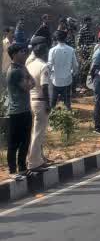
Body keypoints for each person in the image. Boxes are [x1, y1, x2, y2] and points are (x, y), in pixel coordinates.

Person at [6, 42, 34, 180]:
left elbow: (32, 82)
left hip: (25, 110)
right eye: (22, 52)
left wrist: (28, 76)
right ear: (15, 54)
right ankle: (12, 170)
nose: (25, 54)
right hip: (16, 112)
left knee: (25, 140)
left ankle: (22, 168)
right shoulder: (15, 72)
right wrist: (28, 78)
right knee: (14, 142)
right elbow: (28, 86)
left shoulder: (21, 68)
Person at [25, 37, 51, 172]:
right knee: (38, 134)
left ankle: (33, 159)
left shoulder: (29, 65)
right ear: (44, 53)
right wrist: (48, 103)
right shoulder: (43, 66)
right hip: (41, 101)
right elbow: (45, 86)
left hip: (30, 100)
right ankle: (34, 163)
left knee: (32, 133)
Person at [47, 30, 78, 110]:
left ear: (56, 39)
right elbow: (75, 65)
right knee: (67, 103)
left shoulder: (52, 50)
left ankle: (51, 117)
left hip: (55, 80)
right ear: (66, 38)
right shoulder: (71, 49)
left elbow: (49, 65)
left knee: (53, 103)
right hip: (67, 80)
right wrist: (74, 73)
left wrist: (49, 76)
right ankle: (68, 117)